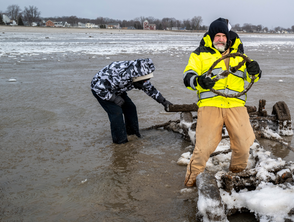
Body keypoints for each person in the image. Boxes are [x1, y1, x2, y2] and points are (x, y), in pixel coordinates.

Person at [182, 18, 262, 187]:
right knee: (203, 149)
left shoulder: (241, 56)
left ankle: (235, 178)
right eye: (217, 35)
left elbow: (252, 76)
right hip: (210, 104)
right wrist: (199, 81)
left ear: (228, 38)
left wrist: (256, 71)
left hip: (235, 105)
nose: (220, 39)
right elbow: (187, 76)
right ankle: (191, 183)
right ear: (211, 37)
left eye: (223, 36)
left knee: (243, 144)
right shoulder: (199, 54)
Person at [91, 58, 172, 144]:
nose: (144, 82)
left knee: (131, 108)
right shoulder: (118, 73)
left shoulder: (141, 72)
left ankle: (133, 135)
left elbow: (150, 89)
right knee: (116, 113)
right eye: (142, 81)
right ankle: (120, 142)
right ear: (135, 76)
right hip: (102, 90)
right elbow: (98, 88)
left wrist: (163, 102)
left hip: (118, 89)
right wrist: (114, 98)